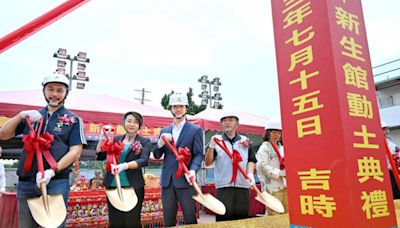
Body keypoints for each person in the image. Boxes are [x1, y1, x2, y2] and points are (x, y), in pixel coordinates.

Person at [0, 73, 86, 227]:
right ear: (44, 91)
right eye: (50, 89)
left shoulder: (73, 120)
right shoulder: (32, 117)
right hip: (26, 182)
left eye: (60, 90)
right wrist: (20, 115)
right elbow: (3, 134)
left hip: (56, 182)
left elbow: (75, 152)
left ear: (66, 93)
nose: (54, 94)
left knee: (53, 225)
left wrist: (52, 170)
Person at [153, 93, 204, 226]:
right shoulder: (165, 130)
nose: (178, 109)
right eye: (175, 106)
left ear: (186, 108)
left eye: (181, 106)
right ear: (171, 108)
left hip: (186, 179)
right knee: (168, 218)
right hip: (167, 181)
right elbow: (157, 155)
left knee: (190, 217)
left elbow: (199, 154)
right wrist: (160, 143)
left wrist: (193, 170)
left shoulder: (196, 130)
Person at [96, 111, 151, 228]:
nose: (132, 124)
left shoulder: (144, 142)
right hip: (113, 186)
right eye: (129, 121)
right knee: (115, 221)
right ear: (124, 123)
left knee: (132, 221)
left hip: (133, 186)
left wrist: (125, 165)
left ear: (139, 126)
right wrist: (103, 138)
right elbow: (100, 155)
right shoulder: (116, 139)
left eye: (136, 122)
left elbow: (144, 160)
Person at [205, 112, 256, 221]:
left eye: (230, 120)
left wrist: (250, 174)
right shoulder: (217, 141)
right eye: (224, 120)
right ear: (221, 124)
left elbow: (251, 160)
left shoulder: (245, 140)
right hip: (223, 187)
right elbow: (208, 163)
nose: (227, 123)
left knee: (242, 220)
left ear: (237, 123)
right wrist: (211, 146)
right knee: (224, 219)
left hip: (242, 186)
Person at [255, 119, 287, 215]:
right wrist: (280, 173)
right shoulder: (264, 147)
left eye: (279, 133)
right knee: (274, 213)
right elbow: (262, 165)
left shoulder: (282, 148)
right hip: (271, 186)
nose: (276, 135)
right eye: (274, 132)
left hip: (285, 184)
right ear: (268, 133)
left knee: (286, 213)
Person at [382, 121, 400, 199]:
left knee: (395, 192)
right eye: (383, 129)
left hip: (391, 171)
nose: (386, 131)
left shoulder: (392, 145)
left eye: (387, 128)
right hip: (380, 172)